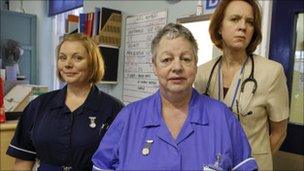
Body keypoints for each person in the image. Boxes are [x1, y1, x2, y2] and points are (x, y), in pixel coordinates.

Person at [92, 23, 257, 170]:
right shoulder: (129, 117)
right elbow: (101, 166)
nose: (177, 67)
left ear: (195, 64)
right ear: (154, 67)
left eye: (186, 59)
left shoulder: (222, 117)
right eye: (166, 59)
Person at [194, 0, 289, 170]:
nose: (243, 27)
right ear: (219, 27)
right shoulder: (202, 73)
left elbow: (279, 132)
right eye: (235, 19)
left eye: (250, 22)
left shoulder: (271, 72)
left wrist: (256, 160)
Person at [6, 33, 124, 170]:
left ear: (93, 62)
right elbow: (23, 159)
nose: (68, 64)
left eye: (78, 58)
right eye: (62, 58)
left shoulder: (113, 109)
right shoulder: (38, 105)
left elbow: (121, 160)